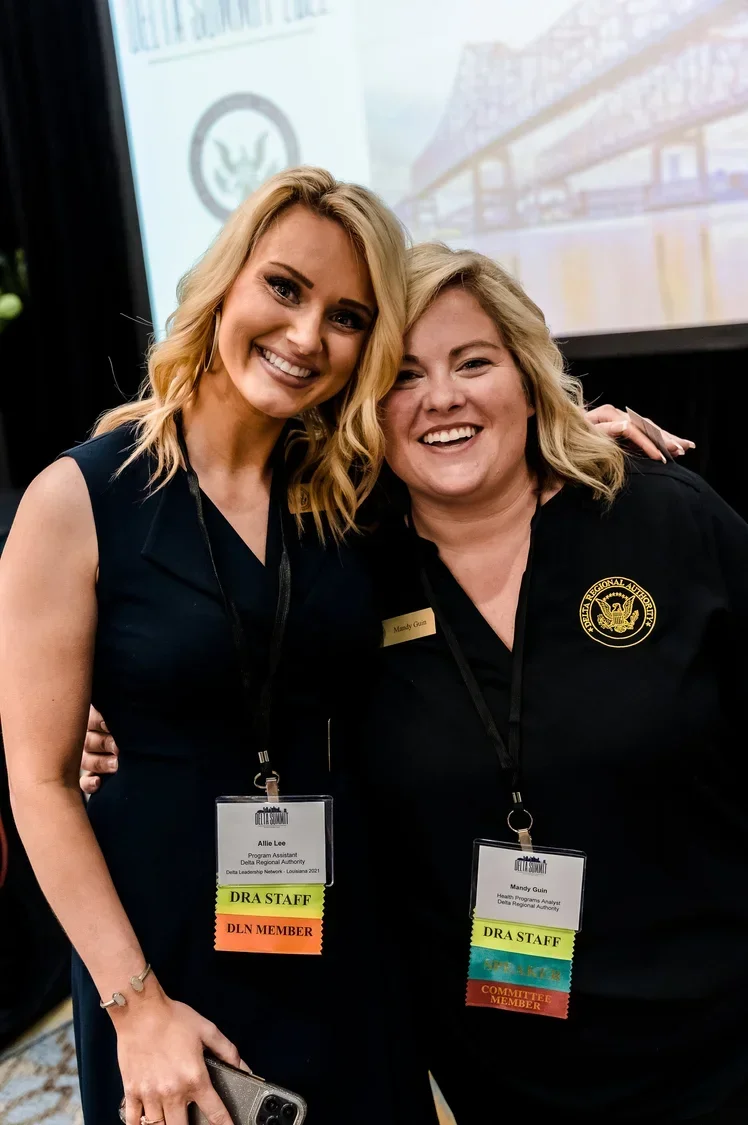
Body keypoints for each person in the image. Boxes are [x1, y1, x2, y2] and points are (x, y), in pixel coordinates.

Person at [0, 166, 425, 1125]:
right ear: (225, 280)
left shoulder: (354, 496)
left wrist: (567, 429)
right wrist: (136, 1008)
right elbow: (40, 782)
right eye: (285, 287)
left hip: (347, 948)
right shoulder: (80, 499)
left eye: (348, 316)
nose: (307, 335)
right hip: (164, 960)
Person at [356, 242, 748, 1123]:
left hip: (725, 1044)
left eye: (473, 362)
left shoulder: (661, 517)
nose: (441, 397)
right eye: (402, 375)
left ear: (530, 381)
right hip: (509, 1078)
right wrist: (103, 719)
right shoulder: (342, 584)